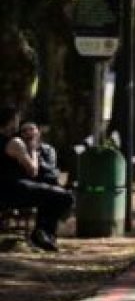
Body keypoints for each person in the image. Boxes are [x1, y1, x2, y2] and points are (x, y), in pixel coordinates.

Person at [1, 108, 74, 252]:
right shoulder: (14, 142)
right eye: (16, 120)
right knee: (65, 197)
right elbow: (33, 170)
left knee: (48, 193)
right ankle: (41, 232)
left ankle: (44, 234)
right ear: (10, 122)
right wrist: (33, 149)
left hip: (9, 190)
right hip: (13, 190)